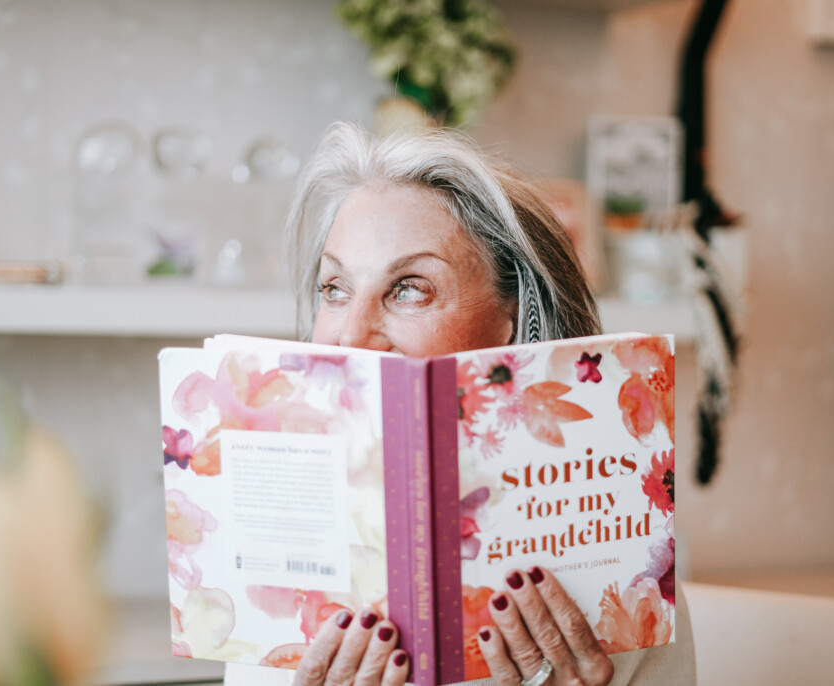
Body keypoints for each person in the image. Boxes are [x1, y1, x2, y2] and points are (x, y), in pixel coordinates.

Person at [224, 121, 695, 686]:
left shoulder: (617, 572)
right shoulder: (281, 570)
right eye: (334, 288)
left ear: (514, 318)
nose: (348, 335)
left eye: (409, 288)